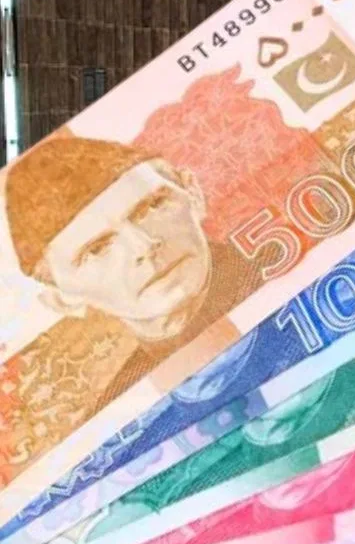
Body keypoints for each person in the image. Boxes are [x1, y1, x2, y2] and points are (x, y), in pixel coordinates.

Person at [4, 138, 266, 430]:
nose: (144, 245)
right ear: (61, 299)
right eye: (97, 249)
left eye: (152, 206)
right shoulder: (113, 421)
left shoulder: (285, 270)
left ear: (193, 193)